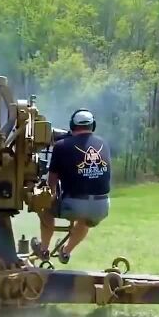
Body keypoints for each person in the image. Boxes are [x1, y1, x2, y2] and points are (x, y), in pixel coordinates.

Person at [32, 108, 111, 264]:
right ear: (92, 126)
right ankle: (66, 252)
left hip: (75, 205)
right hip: (102, 207)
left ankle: (44, 249)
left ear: (72, 125)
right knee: (86, 220)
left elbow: (52, 182)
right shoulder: (103, 143)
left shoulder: (61, 146)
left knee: (45, 208)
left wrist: (49, 196)